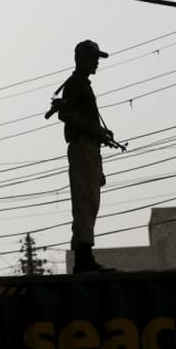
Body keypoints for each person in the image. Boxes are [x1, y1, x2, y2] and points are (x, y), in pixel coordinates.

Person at [58, 40, 118, 274]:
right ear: (81, 59)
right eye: (93, 58)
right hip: (83, 147)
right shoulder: (74, 84)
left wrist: (100, 133)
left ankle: (86, 255)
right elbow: (67, 115)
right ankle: (83, 258)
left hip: (90, 148)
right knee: (84, 201)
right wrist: (96, 131)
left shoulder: (81, 84)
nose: (96, 63)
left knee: (91, 201)